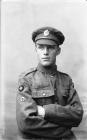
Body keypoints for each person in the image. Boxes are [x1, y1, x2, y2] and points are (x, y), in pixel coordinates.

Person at [16, 27, 83, 140]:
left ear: (58, 50)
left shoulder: (66, 80)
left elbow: (77, 114)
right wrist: (65, 132)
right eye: (41, 47)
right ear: (35, 49)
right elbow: (26, 123)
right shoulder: (26, 79)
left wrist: (44, 111)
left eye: (51, 47)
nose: (45, 52)